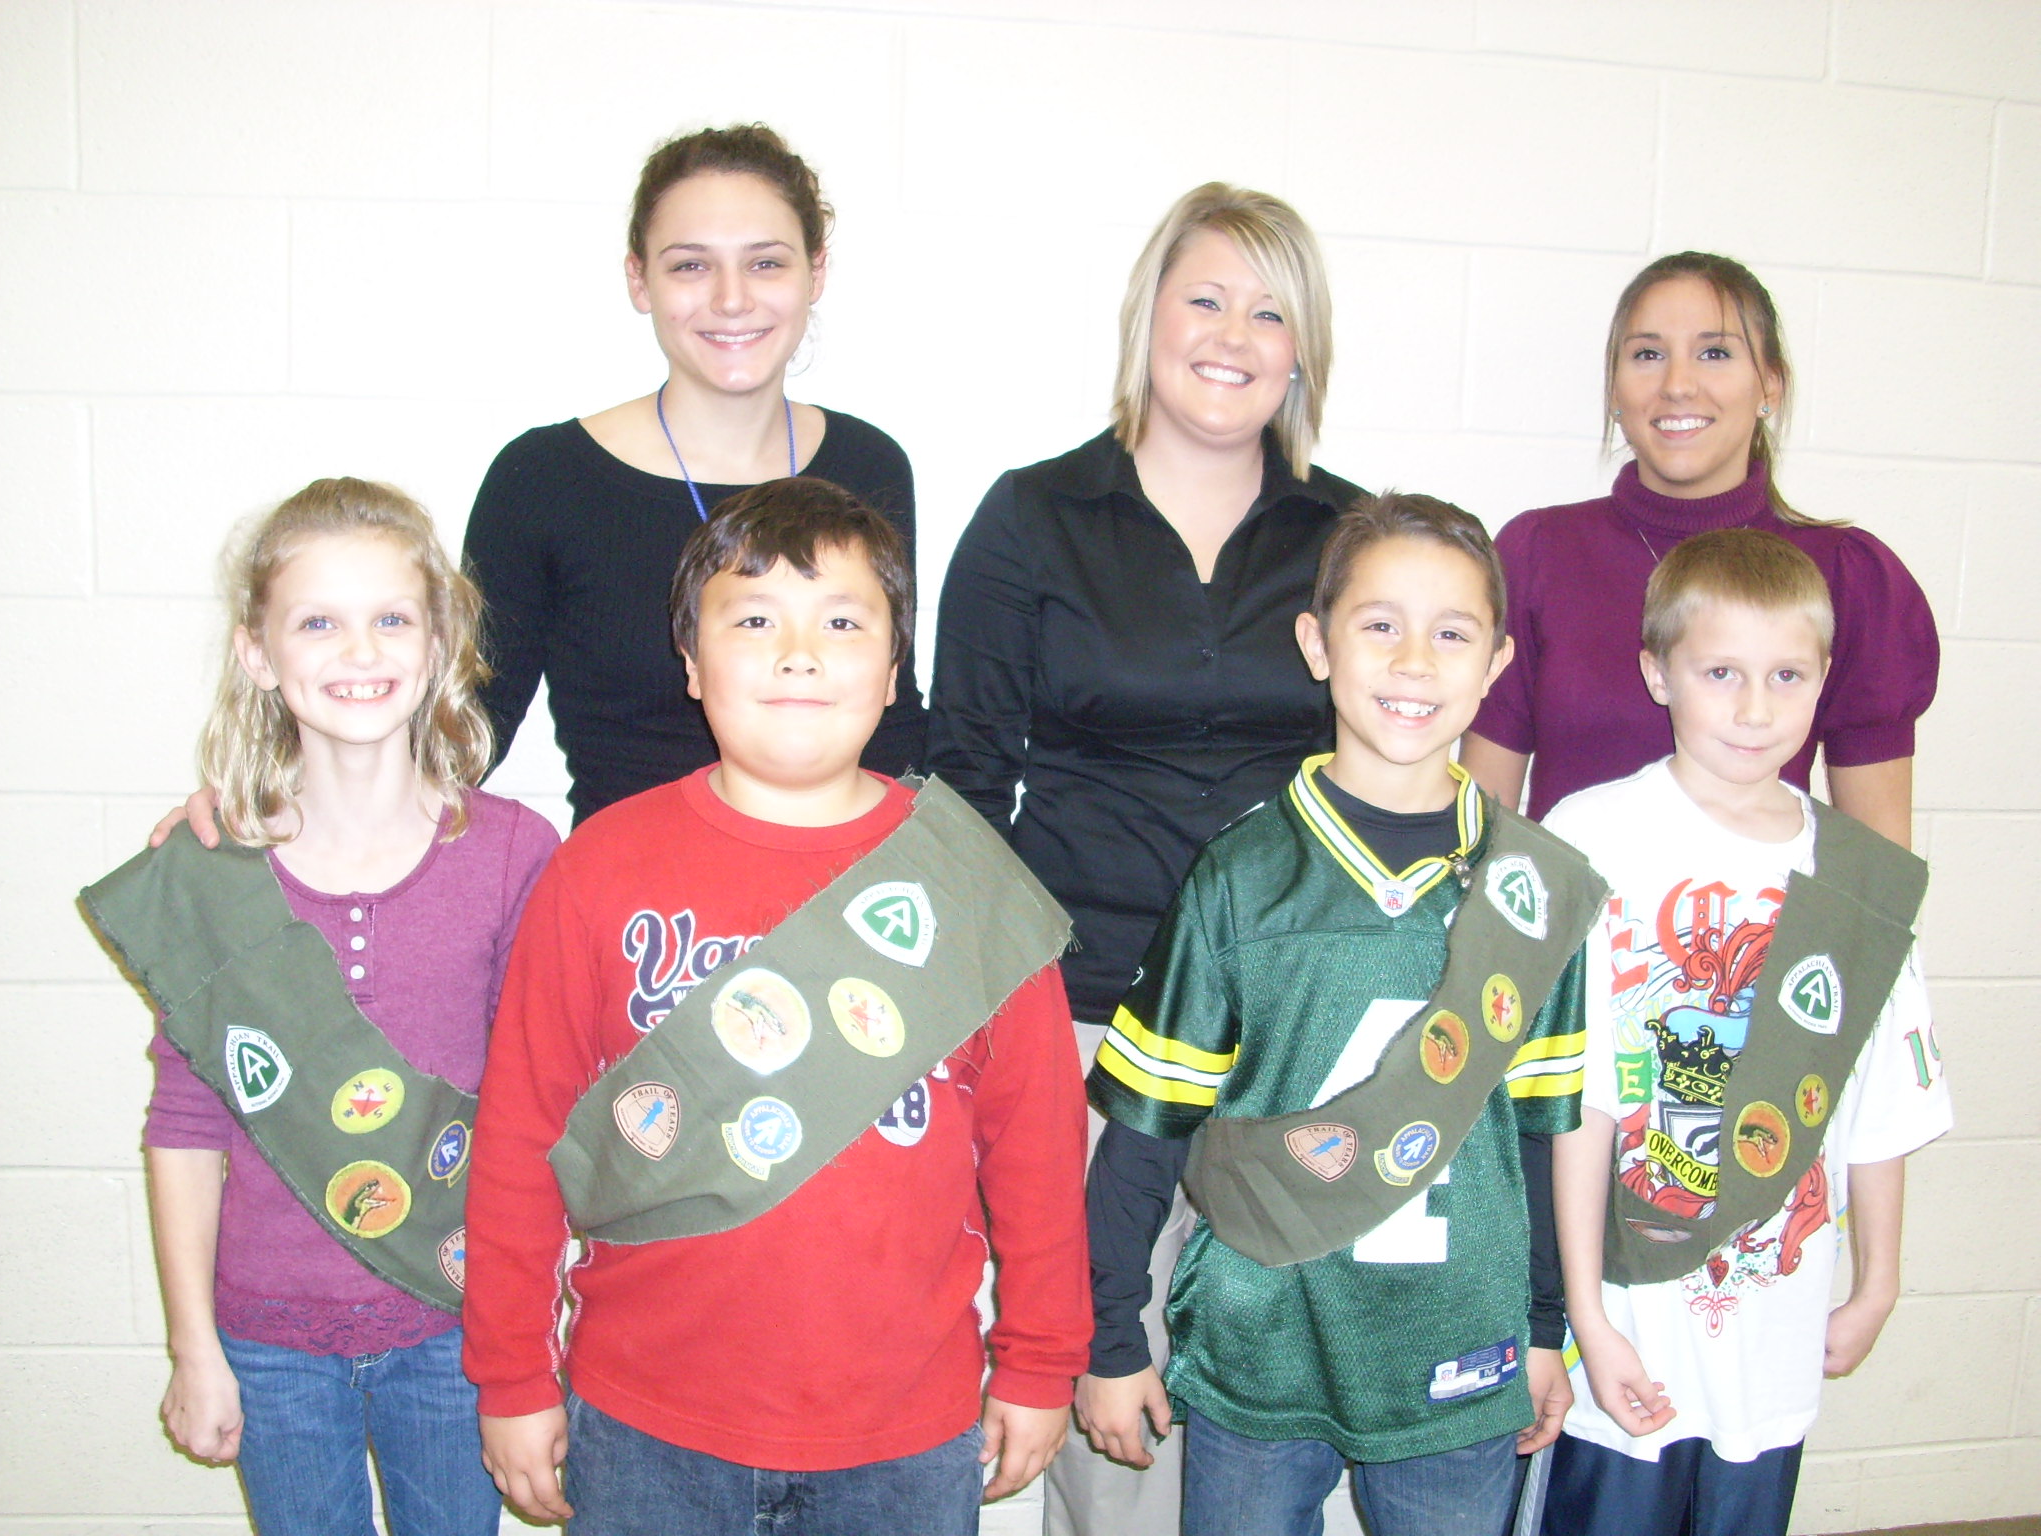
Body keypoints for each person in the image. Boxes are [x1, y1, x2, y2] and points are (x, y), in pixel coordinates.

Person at [462, 479, 1090, 1534]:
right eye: (753, 621)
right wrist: (512, 1374)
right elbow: (522, 1137)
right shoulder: (599, 870)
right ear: (691, 662)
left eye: (842, 623)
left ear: (893, 667)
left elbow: (1036, 1144)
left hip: (903, 1431)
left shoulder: (970, 885)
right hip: (644, 1420)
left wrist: (1041, 1359)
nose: (799, 654)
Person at [926, 181, 1361, 1535]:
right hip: (1082, 1022)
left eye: (1269, 311)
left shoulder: (1352, 538)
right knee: (1112, 1403)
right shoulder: (1033, 517)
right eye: (1205, 298)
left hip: (1288, 1031)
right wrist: (991, 1023)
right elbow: (961, 788)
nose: (1232, 335)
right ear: (1147, 316)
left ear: (1303, 350)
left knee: (1270, 1411)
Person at [1082, 492, 1604, 1536]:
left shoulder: (1534, 889)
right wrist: (1110, 1338)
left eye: (1450, 634)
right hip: (1259, 1340)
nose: (1413, 661)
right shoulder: (1239, 878)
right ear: (1316, 645)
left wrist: (1545, 1327)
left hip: (1458, 1351)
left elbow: (1547, 1131)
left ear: (1497, 664)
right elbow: (1145, 1131)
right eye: (1380, 625)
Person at [83, 479, 559, 1535]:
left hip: (456, 1326)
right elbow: (185, 1125)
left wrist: (527, 1348)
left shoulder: (514, 855)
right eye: (317, 623)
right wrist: (194, 1348)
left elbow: (532, 1118)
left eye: (391, 618)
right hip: (268, 1341)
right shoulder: (214, 871)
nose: (359, 651)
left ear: (438, 641)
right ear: (257, 654)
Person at [1541, 529, 1950, 1536]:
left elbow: (1880, 1107)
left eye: (1785, 676)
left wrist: (1879, 1283)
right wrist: (1583, 1315)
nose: (1755, 708)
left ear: (1822, 681)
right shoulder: (1590, 838)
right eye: (1720, 672)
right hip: (1627, 1314)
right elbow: (1572, 1105)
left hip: (1773, 1327)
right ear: (1657, 673)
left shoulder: (1858, 879)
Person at [465, 122, 926, 824]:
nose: (732, 298)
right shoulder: (543, 479)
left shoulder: (869, 465)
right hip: (632, 882)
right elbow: (468, 726)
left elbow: (894, 720)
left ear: (816, 273)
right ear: (639, 279)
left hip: (836, 883)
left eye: (765, 262)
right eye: (690, 266)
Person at [1461, 251, 1937, 849]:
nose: (1677, 384)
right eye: (1647, 354)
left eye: (1714, 353)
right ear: (1615, 388)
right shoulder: (1538, 556)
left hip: (1760, 910)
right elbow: (1483, 830)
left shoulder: (1848, 576)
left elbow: (1876, 863)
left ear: (1770, 385)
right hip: (1571, 911)